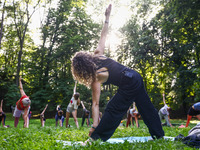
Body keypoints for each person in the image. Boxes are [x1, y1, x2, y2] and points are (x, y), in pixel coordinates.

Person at [71, 4, 164, 142]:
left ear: (81, 71)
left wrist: (95, 126)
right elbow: (103, 35)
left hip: (129, 81)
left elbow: (95, 104)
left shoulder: (96, 77)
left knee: (113, 109)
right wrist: (107, 17)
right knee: (145, 107)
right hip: (135, 76)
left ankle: (95, 139)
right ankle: (159, 136)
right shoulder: (97, 54)